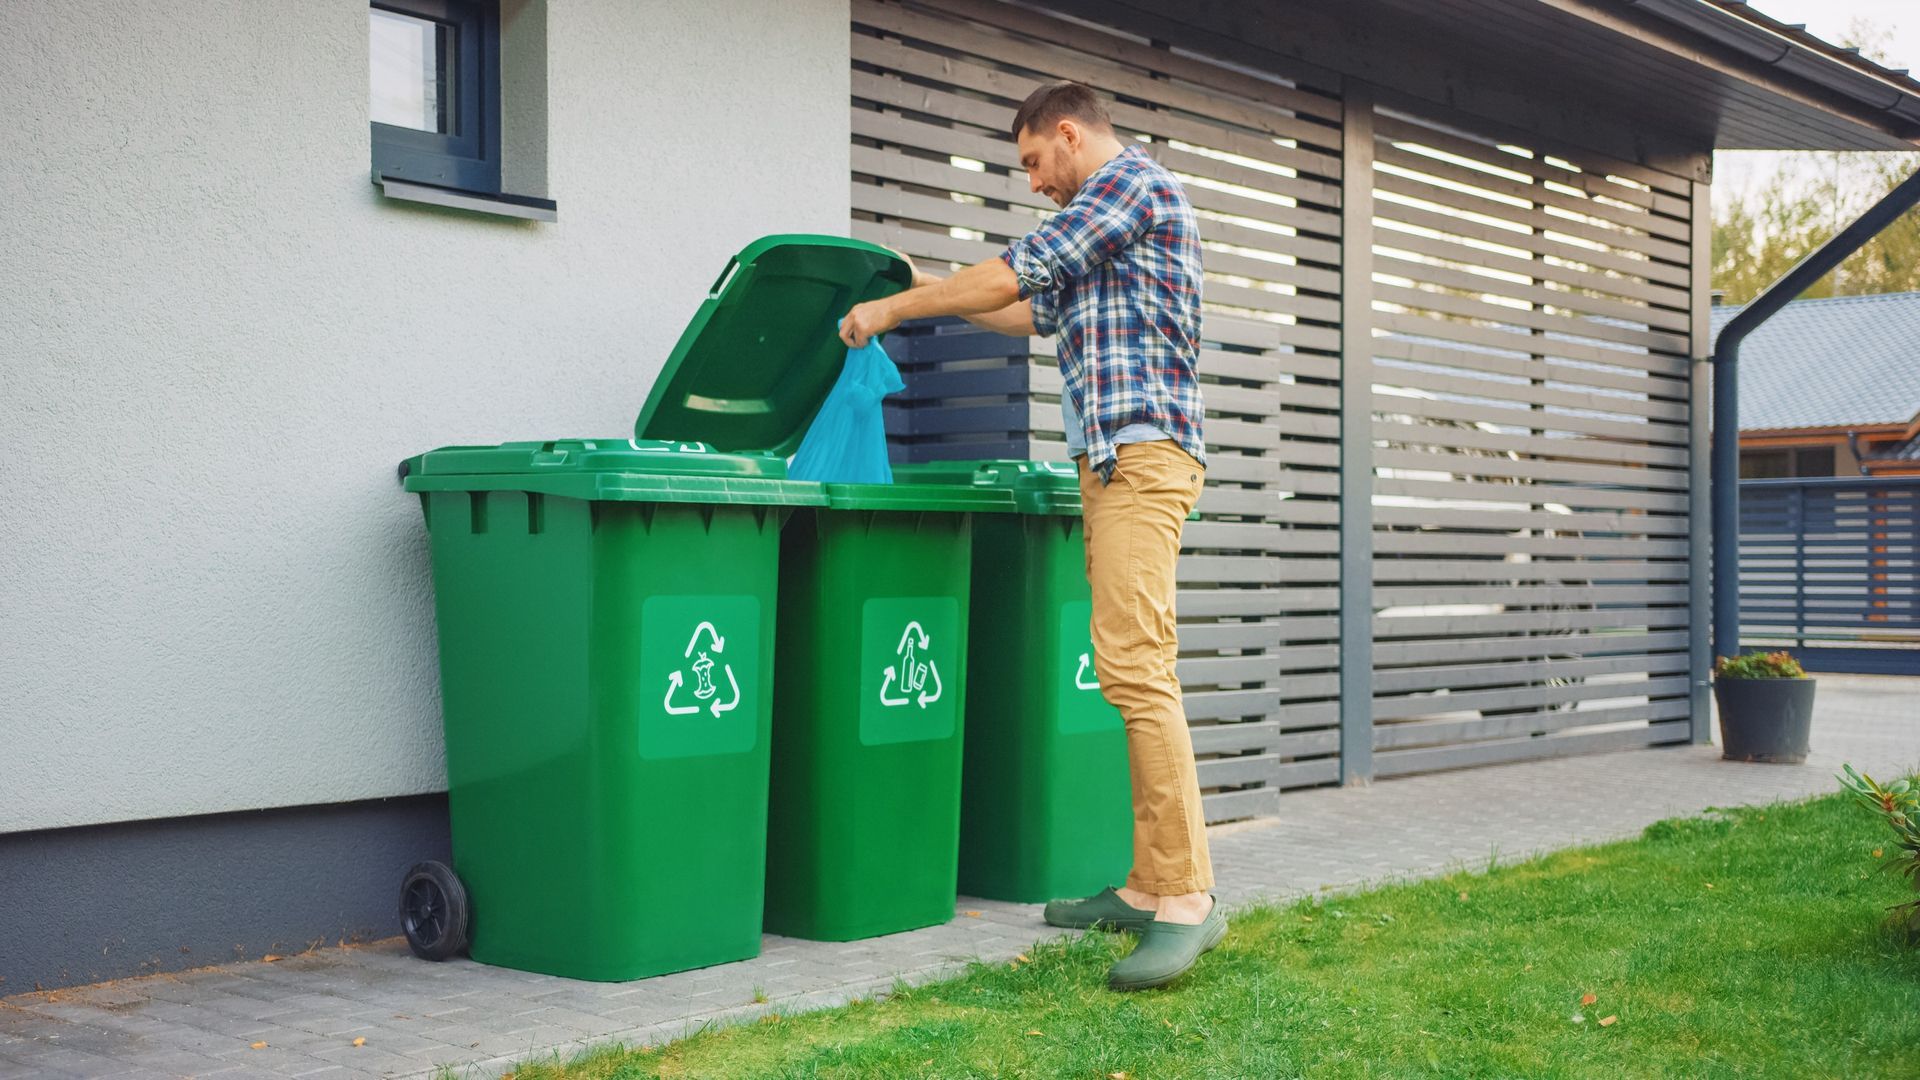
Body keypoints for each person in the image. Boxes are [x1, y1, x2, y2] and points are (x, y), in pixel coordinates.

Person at [838, 80, 1219, 991]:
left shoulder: (1131, 189)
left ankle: (1189, 899)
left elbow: (1016, 270)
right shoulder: (1100, 230)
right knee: (1130, 667)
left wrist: (894, 312)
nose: (1035, 182)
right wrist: (924, 287)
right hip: (1111, 465)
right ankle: (1147, 883)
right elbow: (1020, 307)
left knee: (1137, 669)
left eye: (1033, 163)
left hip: (1142, 457)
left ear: (1068, 133)